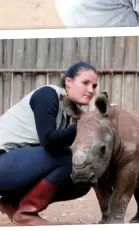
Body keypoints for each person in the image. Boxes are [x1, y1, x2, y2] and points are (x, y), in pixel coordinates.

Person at [0, 62, 99, 226]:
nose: (91, 90)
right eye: (85, 83)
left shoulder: (68, 111)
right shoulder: (47, 95)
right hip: (3, 159)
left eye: (94, 85)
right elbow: (49, 141)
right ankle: (26, 212)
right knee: (67, 157)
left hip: (12, 165)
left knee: (81, 180)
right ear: (68, 82)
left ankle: (11, 202)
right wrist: (83, 124)